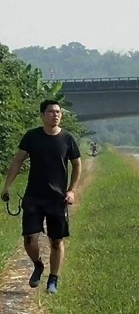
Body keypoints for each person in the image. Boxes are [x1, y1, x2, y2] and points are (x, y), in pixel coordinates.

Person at [1, 99, 81, 294]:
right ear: (42, 115)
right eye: (51, 112)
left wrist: (71, 190)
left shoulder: (67, 139)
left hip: (57, 198)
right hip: (33, 196)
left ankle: (53, 279)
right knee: (30, 239)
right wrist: (7, 186)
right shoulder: (32, 137)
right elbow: (18, 161)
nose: (56, 115)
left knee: (56, 241)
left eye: (58, 112)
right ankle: (38, 264)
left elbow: (77, 164)